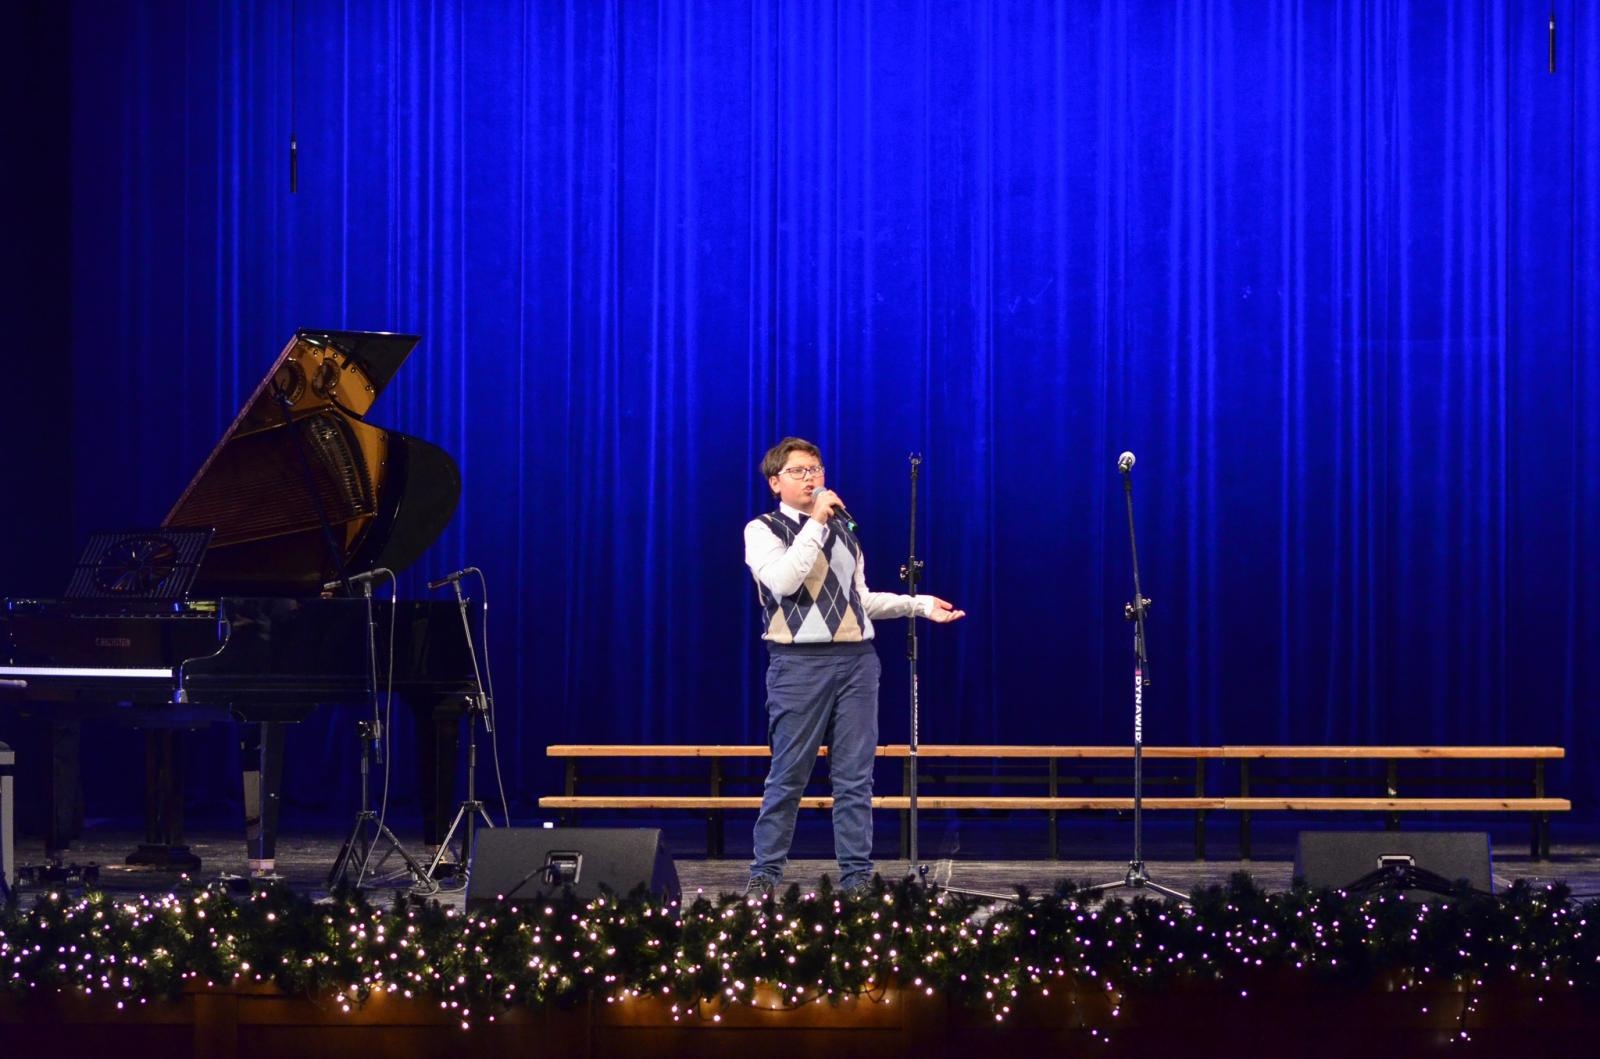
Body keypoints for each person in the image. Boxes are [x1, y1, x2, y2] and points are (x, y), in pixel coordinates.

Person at [743, 436, 964, 898]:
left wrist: (919, 605)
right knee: (789, 774)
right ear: (775, 482)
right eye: (799, 471)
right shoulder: (761, 529)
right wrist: (817, 522)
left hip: (857, 661)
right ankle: (764, 875)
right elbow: (784, 581)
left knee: (855, 777)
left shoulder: (844, 533)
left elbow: (857, 601)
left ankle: (856, 878)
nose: (811, 478)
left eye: (816, 470)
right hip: (798, 663)